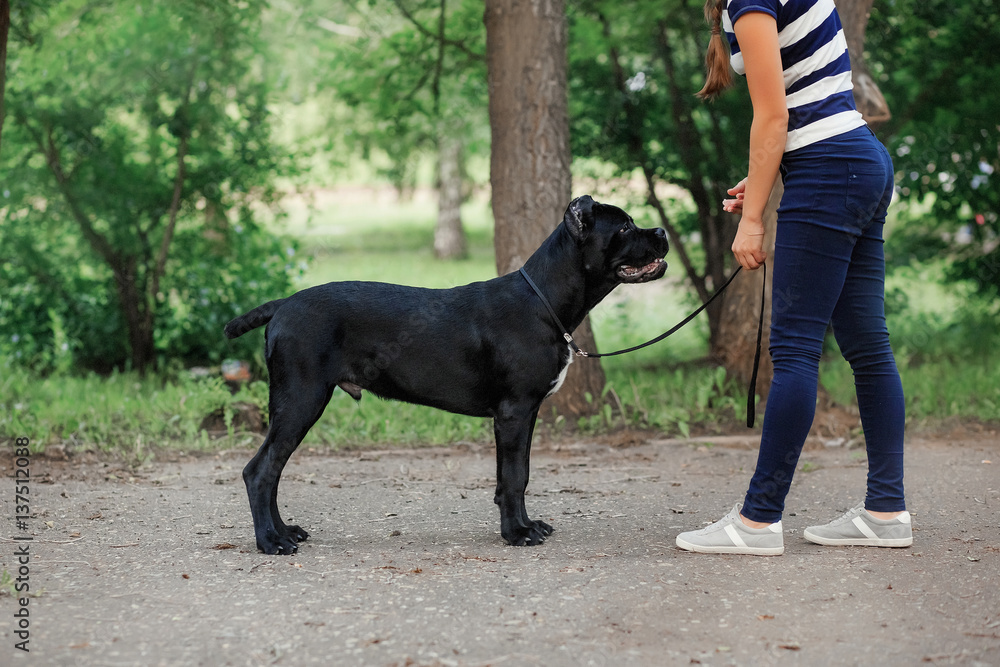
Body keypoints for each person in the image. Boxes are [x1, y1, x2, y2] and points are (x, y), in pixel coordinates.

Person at [675, 0, 912, 555]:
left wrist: (752, 219)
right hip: (857, 159)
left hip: (829, 167)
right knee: (867, 346)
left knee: (796, 349)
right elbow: (810, 97)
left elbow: (774, 115)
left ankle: (757, 521)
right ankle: (886, 510)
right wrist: (757, 181)